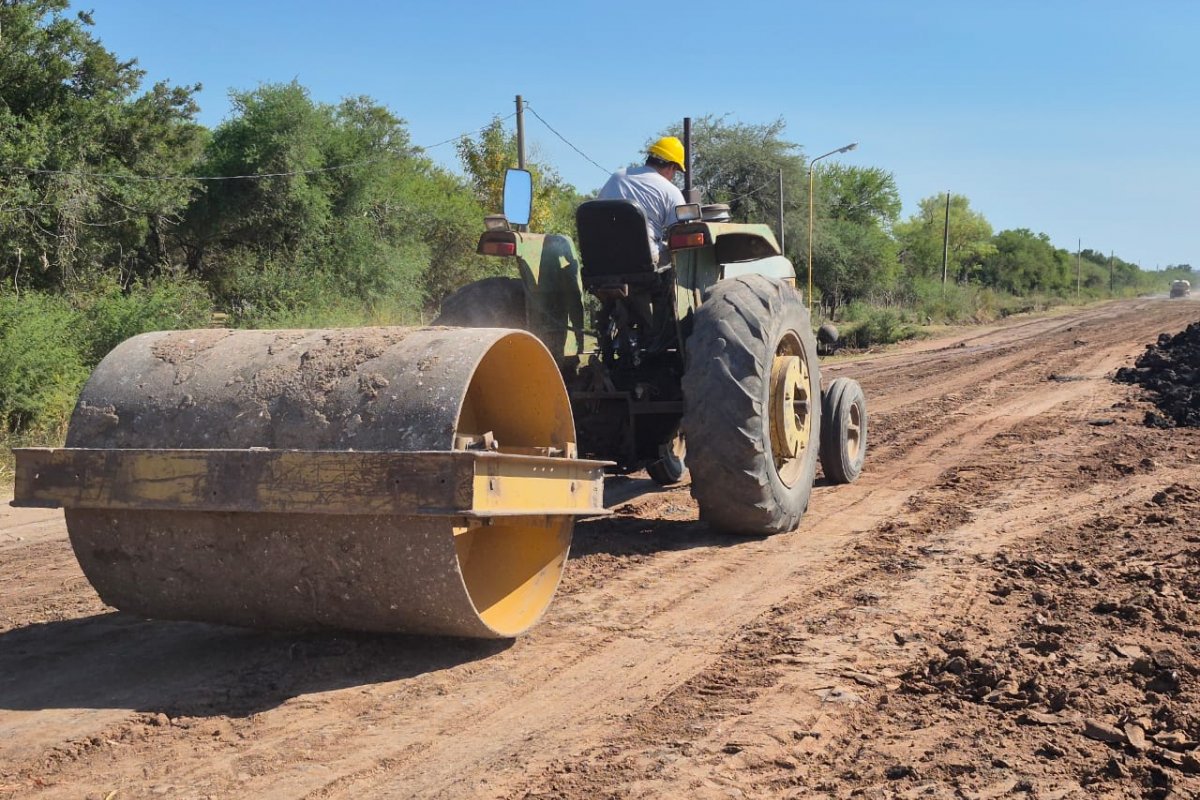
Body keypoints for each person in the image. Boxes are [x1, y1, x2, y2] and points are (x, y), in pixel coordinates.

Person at [597, 136, 687, 265]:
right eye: (675, 172)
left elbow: (598, 210)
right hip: (643, 260)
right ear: (671, 167)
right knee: (681, 255)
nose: (673, 176)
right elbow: (681, 232)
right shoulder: (671, 191)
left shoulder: (617, 177)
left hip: (603, 258)